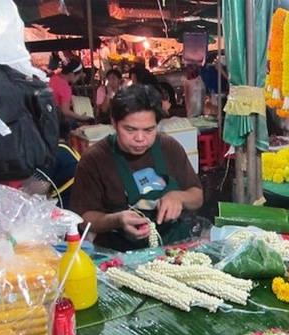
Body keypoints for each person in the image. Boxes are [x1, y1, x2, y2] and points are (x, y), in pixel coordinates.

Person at [70, 84, 204, 251]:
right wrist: (117, 220)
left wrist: (179, 197)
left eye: (149, 130)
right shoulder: (95, 159)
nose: (140, 138)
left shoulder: (169, 147)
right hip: (120, 255)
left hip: (176, 247)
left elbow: (197, 196)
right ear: (114, 123)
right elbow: (84, 218)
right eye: (130, 129)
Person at [48, 58, 95, 138]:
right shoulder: (65, 87)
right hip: (56, 121)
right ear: (72, 74)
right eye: (79, 76)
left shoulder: (53, 78)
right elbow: (65, 111)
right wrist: (82, 118)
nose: (78, 79)